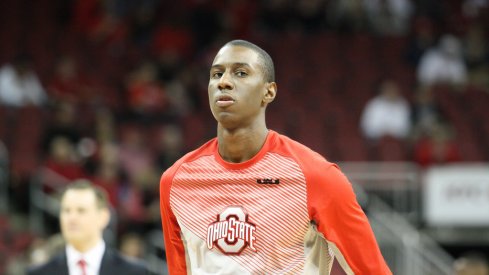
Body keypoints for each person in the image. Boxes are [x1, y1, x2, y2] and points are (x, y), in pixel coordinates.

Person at [159, 39, 391, 274]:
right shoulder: (176, 181)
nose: (224, 82)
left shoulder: (316, 177)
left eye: (240, 73)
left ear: (269, 91)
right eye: (216, 74)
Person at [27, 179, 151, 275]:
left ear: (103, 217)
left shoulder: (135, 272)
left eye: (81, 210)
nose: (72, 218)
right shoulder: (38, 273)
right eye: (66, 210)